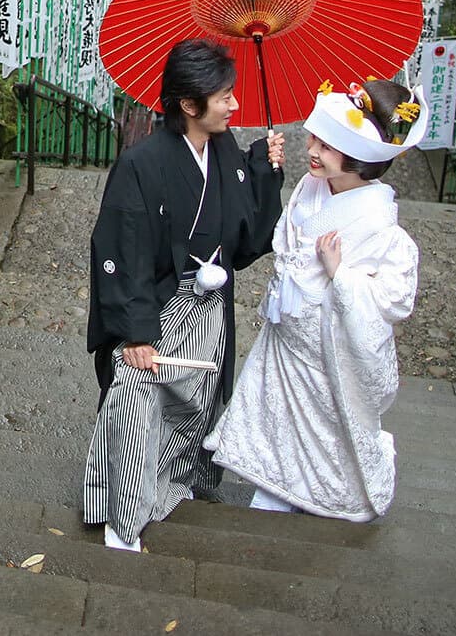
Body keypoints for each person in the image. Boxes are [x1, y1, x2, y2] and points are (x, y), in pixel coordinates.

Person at [80, 39, 283, 551]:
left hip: (210, 307)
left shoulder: (228, 149)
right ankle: (120, 517)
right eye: (224, 97)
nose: (234, 105)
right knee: (139, 402)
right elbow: (120, 251)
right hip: (160, 307)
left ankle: (181, 483)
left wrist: (266, 174)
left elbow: (246, 243)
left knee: (198, 401)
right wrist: (135, 334)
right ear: (189, 105)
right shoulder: (141, 165)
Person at [205, 77, 424, 523]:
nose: (313, 150)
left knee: (323, 433)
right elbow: (282, 238)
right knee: (276, 423)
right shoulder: (312, 185)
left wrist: (340, 275)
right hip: (287, 333)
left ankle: (323, 496)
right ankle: (272, 496)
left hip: (326, 353)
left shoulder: (381, 229)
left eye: (326, 145)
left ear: (359, 159)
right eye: (316, 139)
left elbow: (394, 300)